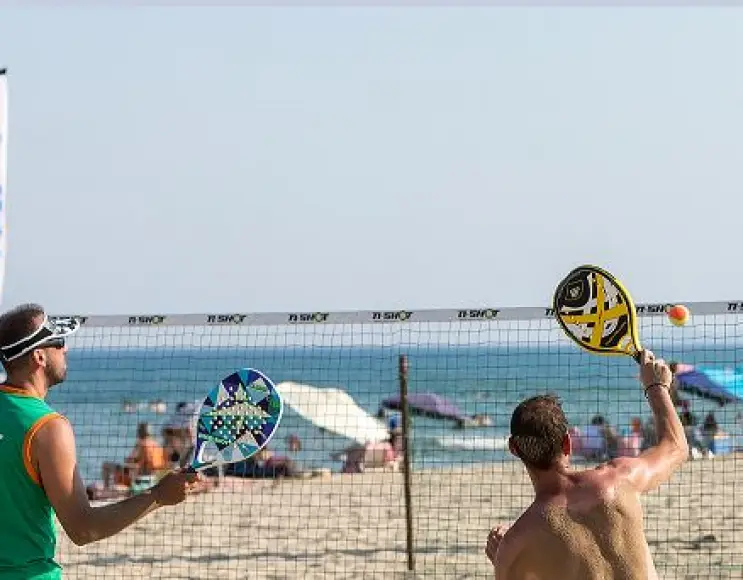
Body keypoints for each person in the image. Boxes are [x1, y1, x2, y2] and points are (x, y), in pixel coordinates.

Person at [0, 304, 195, 579]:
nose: (65, 349)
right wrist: (159, 496)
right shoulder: (48, 427)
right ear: (39, 357)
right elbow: (83, 529)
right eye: (59, 342)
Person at [485, 350, 688, 579]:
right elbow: (676, 447)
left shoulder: (515, 544)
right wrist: (656, 386)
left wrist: (506, 561)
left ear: (514, 449)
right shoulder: (619, 478)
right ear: (568, 442)